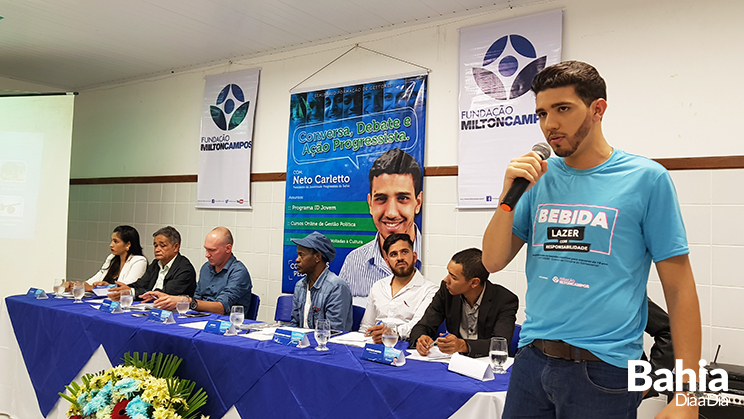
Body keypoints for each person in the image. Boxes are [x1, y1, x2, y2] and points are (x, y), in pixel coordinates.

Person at [481, 61, 701, 419]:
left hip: (606, 371)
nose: (549, 124)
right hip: (532, 362)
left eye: (562, 109)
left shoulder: (646, 179)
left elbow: (680, 291)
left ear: (598, 109)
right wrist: (508, 196)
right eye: (541, 112)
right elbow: (491, 261)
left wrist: (688, 395)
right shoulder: (540, 178)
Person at [339, 148, 423, 305]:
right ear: (370, 204)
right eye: (381, 199)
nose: (391, 213)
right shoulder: (353, 262)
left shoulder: (432, 257)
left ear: (418, 203)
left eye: (403, 198)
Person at [410, 248, 518, 358]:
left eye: (453, 277)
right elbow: (423, 325)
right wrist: (421, 338)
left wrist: (463, 345)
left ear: (474, 282)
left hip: (489, 363)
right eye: (448, 273)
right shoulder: (447, 291)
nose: (446, 280)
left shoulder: (505, 300)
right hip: (454, 362)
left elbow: (500, 343)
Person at [147, 227, 252, 314]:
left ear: (228, 248)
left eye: (212, 250)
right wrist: (170, 298)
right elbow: (197, 297)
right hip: (200, 317)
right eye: (206, 249)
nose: (207, 255)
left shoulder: (238, 272)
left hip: (226, 324)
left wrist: (188, 302)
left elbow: (222, 307)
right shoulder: (206, 268)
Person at [359, 233, 437, 344]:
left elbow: (418, 326)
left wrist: (390, 333)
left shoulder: (429, 290)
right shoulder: (378, 286)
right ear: (387, 261)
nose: (400, 258)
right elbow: (366, 326)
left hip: (406, 346)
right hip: (375, 345)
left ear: (414, 257)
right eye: (393, 254)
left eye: (404, 252)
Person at [108, 226, 196, 300]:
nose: (157, 249)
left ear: (176, 247)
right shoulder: (156, 264)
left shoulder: (184, 268)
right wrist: (124, 288)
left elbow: (165, 293)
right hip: (150, 307)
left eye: (162, 246)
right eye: (155, 245)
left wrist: (132, 292)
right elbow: (141, 284)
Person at [290, 231, 353, 331]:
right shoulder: (299, 286)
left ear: (317, 257)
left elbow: (334, 331)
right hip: (301, 343)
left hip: (327, 344)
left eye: (301, 255)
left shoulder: (336, 287)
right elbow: (295, 323)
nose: (297, 260)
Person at [73, 225, 147, 292]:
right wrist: (80, 285)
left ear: (128, 244)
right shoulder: (112, 257)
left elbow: (126, 286)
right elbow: (98, 277)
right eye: (112, 241)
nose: (111, 245)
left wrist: (93, 288)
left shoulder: (139, 261)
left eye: (116, 242)